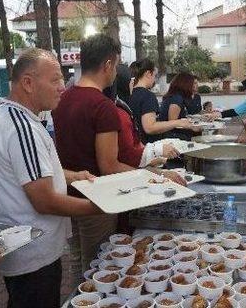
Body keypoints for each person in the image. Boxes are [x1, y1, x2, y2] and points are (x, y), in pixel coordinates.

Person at [0, 48, 101, 308]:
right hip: (33, 252)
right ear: (28, 83)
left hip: (23, 249)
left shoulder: (4, 116)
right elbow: (44, 200)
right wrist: (99, 207)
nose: (62, 87)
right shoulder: (21, 127)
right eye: (55, 79)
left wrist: (72, 176)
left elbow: (31, 173)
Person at [53, 35, 185, 271]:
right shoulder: (103, 107)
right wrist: (154, 175)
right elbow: (109, 167)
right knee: (100, 268)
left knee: (77, 264)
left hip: (68, 197)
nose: (117, 72)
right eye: (116, 64)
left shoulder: (63, 99)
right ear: (107, 65)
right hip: (96, 200)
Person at [128, 58, 192, 143]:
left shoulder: (132, 94)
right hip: (149, 145)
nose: (155, 79)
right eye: (155, 75)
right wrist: (178, 122)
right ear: (148, 73)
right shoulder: (148, 96)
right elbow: (149, 128)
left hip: (137, 143)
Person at [158, 72, 202, 141]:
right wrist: (191, 127)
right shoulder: (176, 99)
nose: (194, 86)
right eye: (192, 83)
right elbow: (173, 123)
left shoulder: (176, 96)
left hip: (170, 134)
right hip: (171, 136)